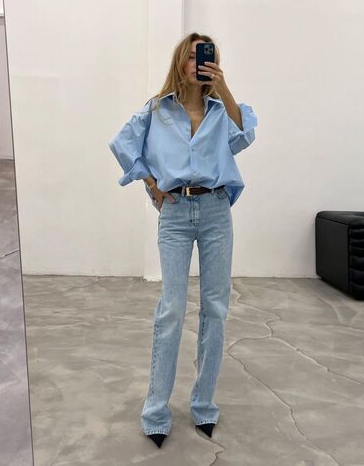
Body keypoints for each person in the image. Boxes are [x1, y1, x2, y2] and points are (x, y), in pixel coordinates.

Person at [108, 32, 258, 448]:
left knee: (215, 308)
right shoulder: (157, 110)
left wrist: (224, 88)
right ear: (180, 61)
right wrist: (151, 183)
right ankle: (156, 411)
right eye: (192, 56)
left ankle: (203, 405)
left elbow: (244, 136)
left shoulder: (221, 111)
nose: (198, 62)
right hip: (174, 214)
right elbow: (122, 144)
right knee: (171, 309)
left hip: (215, 212)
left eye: (205, 56)